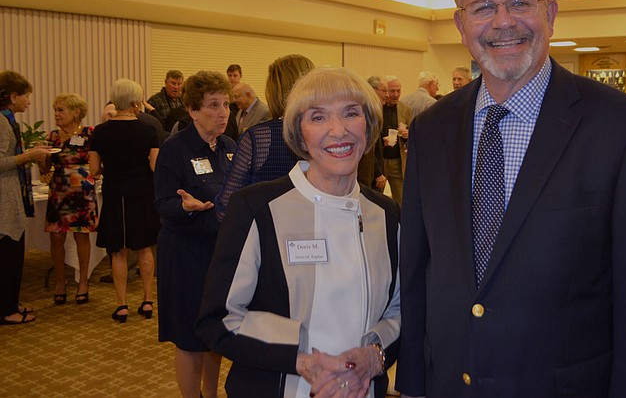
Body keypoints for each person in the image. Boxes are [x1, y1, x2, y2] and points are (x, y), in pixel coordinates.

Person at [397, 0, 626, 397]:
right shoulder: (431, 129)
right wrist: (413, 383)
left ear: (549, 13)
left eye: (520, 2)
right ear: (460, 22)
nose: (503, 22)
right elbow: (417, 271)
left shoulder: (622, 128)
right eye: (483, 7)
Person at [196, 66, 400, 398]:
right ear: (298, 132)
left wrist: (373, 357)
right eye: (318, 118)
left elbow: (401, 310)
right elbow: (218, 318)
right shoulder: (256, 208)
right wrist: (301, 359)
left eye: (351, 114)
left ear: (369, 126)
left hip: (362, 389)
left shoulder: (388, 214)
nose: (338, 131)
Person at [154, 70, 237, 398]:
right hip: (185, 253)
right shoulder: (175, 148)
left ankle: (210, 395)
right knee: (189, 336)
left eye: (226, 104)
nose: (223, 113)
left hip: (219, 253)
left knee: (213, 332)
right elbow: (162, 203)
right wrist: (186, 206)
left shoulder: (231, 147)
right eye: (213, 105)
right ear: (192, 110)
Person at [89, 80, 160, 323]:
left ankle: (121, 305)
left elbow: (94, 169)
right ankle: (148, 300)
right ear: (134, 101)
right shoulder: (148, 130)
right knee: (145, 248)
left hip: (114, 193)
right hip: (142, 192)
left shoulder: (100, 131)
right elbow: (154, 165)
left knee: (117, 251)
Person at [215, 54, 314, 218]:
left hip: (268, 234)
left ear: (274, 91)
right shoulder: (330, 134)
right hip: (317, 233)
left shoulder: (257, 138)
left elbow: (225, 206)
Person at [39, 93, 98, 305]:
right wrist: (41, 158)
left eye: (61, 110)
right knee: (56, 237)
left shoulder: (89, 133)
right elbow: (45, 169)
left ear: (76, 112)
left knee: (81, 236)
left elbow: (97, 164)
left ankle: (83, 281)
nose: (56, 114)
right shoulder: (52, 136)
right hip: (59, 189)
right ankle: (60, 282)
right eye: (55, 110)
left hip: (81, 190)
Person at [0, 71, 50, 325]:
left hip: (10, 195)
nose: (29, 102)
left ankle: (10, 302)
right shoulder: (1, 122)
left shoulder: (8, 121)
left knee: (12, 254)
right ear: (13, 97)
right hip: (4, 199)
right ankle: (6, 309)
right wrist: (29, 156)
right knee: (8, 255)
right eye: (26, 96)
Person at [381, 76, 412, 205]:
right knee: (376, 197)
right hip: (380, 160)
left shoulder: (405, 109)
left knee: (401, 199)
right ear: (385, 92)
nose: (395, 94)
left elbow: (412, 133)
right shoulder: (378, 107)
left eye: (398, 91)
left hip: (397, 161)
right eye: (392, 91)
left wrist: (407, 134)